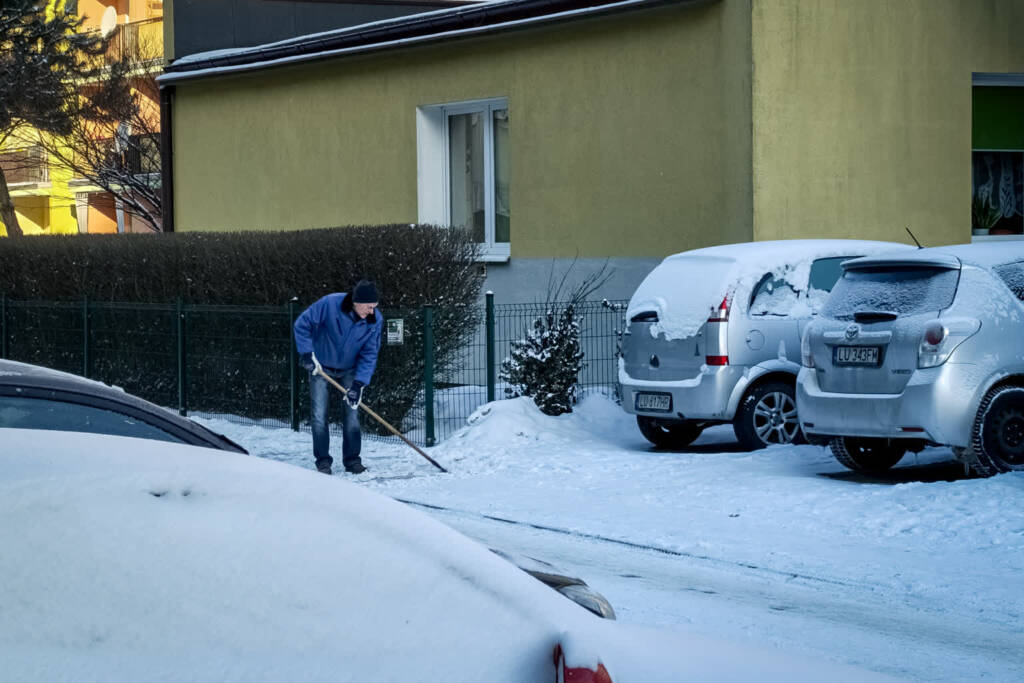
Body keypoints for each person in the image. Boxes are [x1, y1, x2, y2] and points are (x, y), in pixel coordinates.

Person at [293, 279, 382, 475]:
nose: (371, 311)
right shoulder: (330, 304)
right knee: (318, 415)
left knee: (352, 415)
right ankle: (323, 461)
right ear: (357, 302)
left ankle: (352, 460)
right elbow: (302, 324)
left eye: (374, 307)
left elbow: (370, 354)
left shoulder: (374, 321)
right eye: (368, 306)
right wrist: (307, 354)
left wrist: (359, 385)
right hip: (321, 366)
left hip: (350, 370)